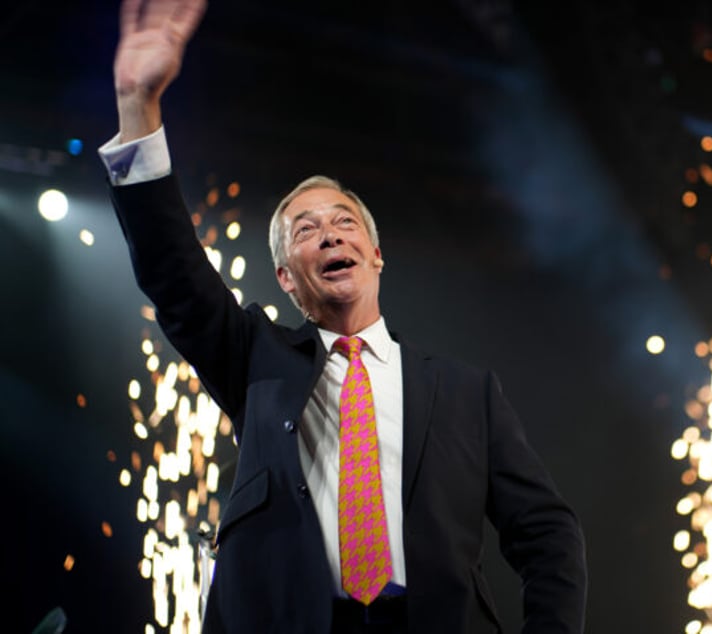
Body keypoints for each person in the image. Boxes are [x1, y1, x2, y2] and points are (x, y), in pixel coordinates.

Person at [99, 0, 588, 632]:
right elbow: (174, 273)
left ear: (376, 255)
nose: (329, 235)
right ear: (285, 277)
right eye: (306, 230)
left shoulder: (469, 393)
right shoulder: (254, 358)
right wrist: (139, 106)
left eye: (343, 222)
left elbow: (548, 533)